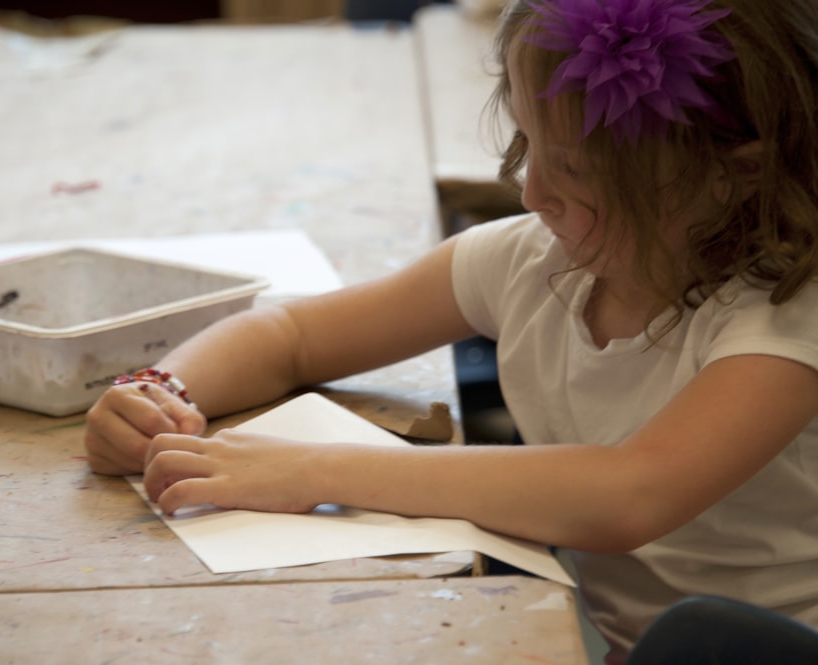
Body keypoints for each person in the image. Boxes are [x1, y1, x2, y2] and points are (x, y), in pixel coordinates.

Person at [84, 0, 818, 662]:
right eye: (528, 144)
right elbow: (291, 334)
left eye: (573, 167)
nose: (531, 192)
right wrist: (159, 392)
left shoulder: (787, 314)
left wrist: (314, 469)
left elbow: (631, 491)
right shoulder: (536, 263)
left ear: (733, 173)